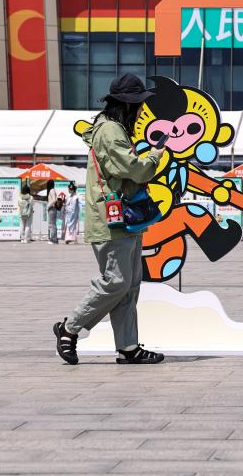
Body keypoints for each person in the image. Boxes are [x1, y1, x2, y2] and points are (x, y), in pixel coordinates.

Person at [53, 73, 166, 366]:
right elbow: (135, 169)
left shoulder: (111, 128)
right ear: (127, 104)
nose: (141, 112)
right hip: (111, 220)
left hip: (124, 219)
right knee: (116, 282)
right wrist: (154, 157)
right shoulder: (111, 131)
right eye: (139, 105)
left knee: (129, 285)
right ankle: (69, 328)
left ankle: (128, 346)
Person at [44, 180, 60, 245]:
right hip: (53, 209)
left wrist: (48, 206)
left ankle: (53, 239)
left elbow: (54, 200)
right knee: (53, 224)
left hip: (52, 208)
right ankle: (55, 239)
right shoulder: (53, 190)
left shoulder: (51, 190)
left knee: (52, 225)